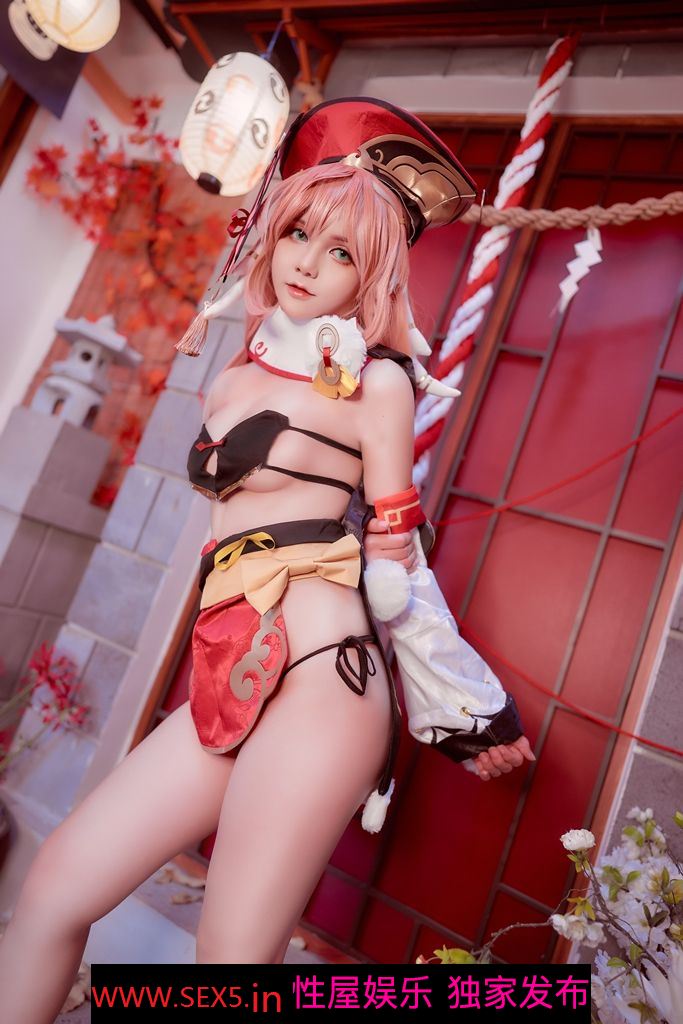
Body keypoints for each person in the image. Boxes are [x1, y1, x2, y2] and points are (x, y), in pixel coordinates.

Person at [0, 98, 533, 1014]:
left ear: (371, 277)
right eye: (298, 234)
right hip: (231, 674)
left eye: (342, 253)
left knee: (227, 962)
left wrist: (468, 711)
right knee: (53, 889)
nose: (307, 264)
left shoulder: (376, 382)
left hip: (323, 681)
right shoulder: (235, 375)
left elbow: (396, 558)